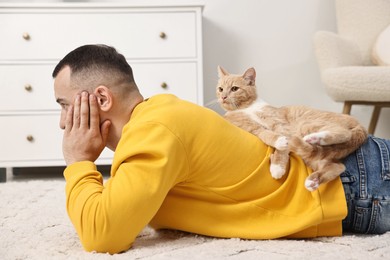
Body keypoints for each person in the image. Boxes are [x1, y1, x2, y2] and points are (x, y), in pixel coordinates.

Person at [52, 44, 390, 254]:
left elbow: (102, 235)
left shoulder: (154, 131)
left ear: (100, 99)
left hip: (355, 181)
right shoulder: (157, 118)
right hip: (356, 179)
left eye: (65, 105)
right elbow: (118, 210)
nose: (63, 122)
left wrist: (78, 160)